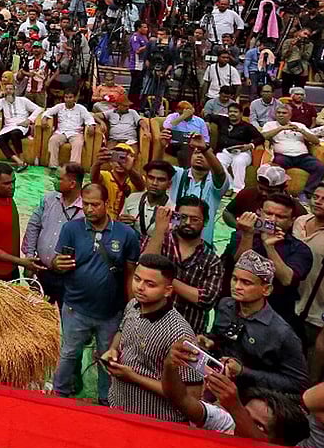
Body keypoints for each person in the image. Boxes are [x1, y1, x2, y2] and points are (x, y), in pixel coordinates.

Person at [52, 182, 141, 406]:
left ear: (107, 204)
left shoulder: (126, 234)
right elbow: (59, 262)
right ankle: (58, 394)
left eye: (95, 204)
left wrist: (131, 308)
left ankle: (106, 400)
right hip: (75, 307)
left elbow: (130, 273)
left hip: (110, 312)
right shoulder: (71, 229)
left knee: (107, 358)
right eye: (86, 204)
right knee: (68, 354)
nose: (89, 209)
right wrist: (56, 264)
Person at [102, 254, 204, 422]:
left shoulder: (180, 334)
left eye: (150, 284)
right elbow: (121, 331)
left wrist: (133, 377)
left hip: (156, 420)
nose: (140, 287)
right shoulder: (133, 305)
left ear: (168, 290)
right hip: (119, 407)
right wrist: (113, 350)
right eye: (137, 279)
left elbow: (191, 395)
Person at [163, 338, 310, 444]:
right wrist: (170, 366)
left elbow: (259, 447)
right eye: (245, 413)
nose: (242, 422)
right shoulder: (227, 423)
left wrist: (235, 407)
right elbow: (181, 399)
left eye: (259, 426)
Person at [204, 251, 308, 394]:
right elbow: (221, 337)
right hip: (215, 382)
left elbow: (298, 383)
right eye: (234, 279)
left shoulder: (281, 333)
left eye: (246, 282)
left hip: (256, 395)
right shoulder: (225, 306)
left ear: (266, 289)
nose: (237, 286)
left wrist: (244, 372)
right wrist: (210, 341)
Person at [225, 195, 313, 330]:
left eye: (280, 217)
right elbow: (238, 264)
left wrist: (269, 247)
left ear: (291, 221)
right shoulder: (242, 236)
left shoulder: (299, 249)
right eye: (268, 213)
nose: (272, 220)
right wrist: (247, 235)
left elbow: (286, 279)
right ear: (259, 212)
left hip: (276, 315)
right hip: (236, 309)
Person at [142, 195, 225, 333]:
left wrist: (165, 278)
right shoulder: (161, 240)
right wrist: (159, 230)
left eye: (195, 219)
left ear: (205, 222)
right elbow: (144, 266)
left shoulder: (211, 260)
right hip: (149, 325)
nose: (187, 222)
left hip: (188, 331)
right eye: (183, 217)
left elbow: (207, 299)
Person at [22, 162, 85, 306]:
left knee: (66, 315)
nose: (53, 181)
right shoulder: (48, 199)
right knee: (39, 312)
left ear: (72, 184)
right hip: (42, 271)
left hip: (69, 277)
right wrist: (30, 257)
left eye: (59, 178)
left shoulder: (85, 210)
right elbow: (33, 226)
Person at [0, 162, 43, 280]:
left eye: (13, 182)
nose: (12, 186)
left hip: (10, 267)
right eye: (6, 183)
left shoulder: (8, 198)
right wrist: (22, 262)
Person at [164, 133, 230, 244]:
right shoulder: (178, 174)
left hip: (201, 244)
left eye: (204, 154)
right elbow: (157, 168)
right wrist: (161, 145)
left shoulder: (215, 183)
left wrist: (205, 149)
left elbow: (220, 173)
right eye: (196, 153)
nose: (200, 156)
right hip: (173, 241)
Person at [262, 103, 324, 201]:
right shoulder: (270, 125)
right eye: (278, 112)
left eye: (284, 113)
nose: (281, 115)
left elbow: (316, 141)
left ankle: (306, 193)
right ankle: (279, 193)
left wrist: (302, 131)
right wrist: (281, 128)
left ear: (290, 115)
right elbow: (264, 136)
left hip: (303, 156)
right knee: (276, 167)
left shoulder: (299, 125)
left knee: (320, 167)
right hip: (283, 156)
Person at [295, 183, 324, 349]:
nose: (318, 202)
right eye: (315, 197)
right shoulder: (300, 222)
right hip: (290, 303)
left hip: (317, 314)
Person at [39, 88, 96, 171]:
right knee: (53, 140)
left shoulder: (81, 108)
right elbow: (47, 112)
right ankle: (53, 166)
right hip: (61, 132)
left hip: (75, 133)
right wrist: (44, 119)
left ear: (75, 98)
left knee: (78, 144)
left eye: (70, 97)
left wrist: (91, 125)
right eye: (66, 97)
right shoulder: (59, 106)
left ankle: (73, 169)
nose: (68, 100)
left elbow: (89, 118)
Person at [0, 83, 43, 171]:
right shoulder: (2, 101)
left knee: (15, 134)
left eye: (10, 89)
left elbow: (39, 109)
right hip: (8, 127)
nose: (8, 91)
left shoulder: (22, 100)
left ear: (14, 90)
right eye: (6, 89)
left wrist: (29, 120)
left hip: (22, 126)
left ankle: (21, 159)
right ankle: (19, 161)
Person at [120, 159, 175, 240]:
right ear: (145, 178)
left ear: (169, 184)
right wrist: (121, 223)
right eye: (151, 178)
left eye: (161, 180)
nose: (154, 183)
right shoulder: (132, 198)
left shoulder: (173, 209)